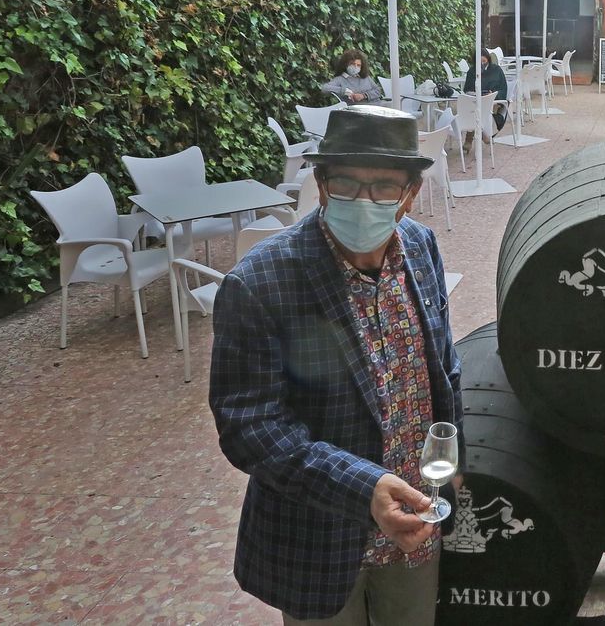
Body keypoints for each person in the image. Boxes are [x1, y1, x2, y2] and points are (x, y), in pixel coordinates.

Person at [210, 105, 459, 626]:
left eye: (385, 188)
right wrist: (362, 488)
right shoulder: (260, 284)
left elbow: (444, 364)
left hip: (415, 519)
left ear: (410, 194)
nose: (363, 202)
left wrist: (456, 461)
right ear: (321, 185)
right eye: (346, 183)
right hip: (319, 535)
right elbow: (250, 427)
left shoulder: (421, 245)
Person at [459, 50, 509, 147]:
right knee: (472, 106)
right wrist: (473, 93)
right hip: (476, 99)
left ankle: (470, 138)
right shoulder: (472, 71)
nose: (482, 64)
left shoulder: (496, 70)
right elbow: (467, 89)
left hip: (494, 101)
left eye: (484, 61)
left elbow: (503, 88)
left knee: (477, 108)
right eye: (479, 62)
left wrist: (493, 94)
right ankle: (482, 134)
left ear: (488, 59)